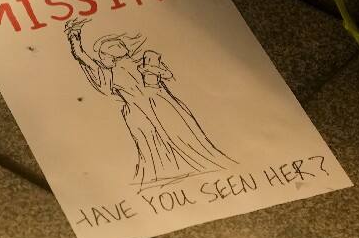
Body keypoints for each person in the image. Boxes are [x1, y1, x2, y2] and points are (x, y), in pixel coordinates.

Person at [65, 18, 237, 190]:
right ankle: (176, 172)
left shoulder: (113, 71)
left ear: (110, 55)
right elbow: (167, 75)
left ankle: (174, 173)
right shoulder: (135, 65)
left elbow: (81, 55)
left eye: (103, 55)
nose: (101, 58)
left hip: (147, 107)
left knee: (167, 140)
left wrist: (75, 36)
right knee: (166, 139)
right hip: (157, 104)